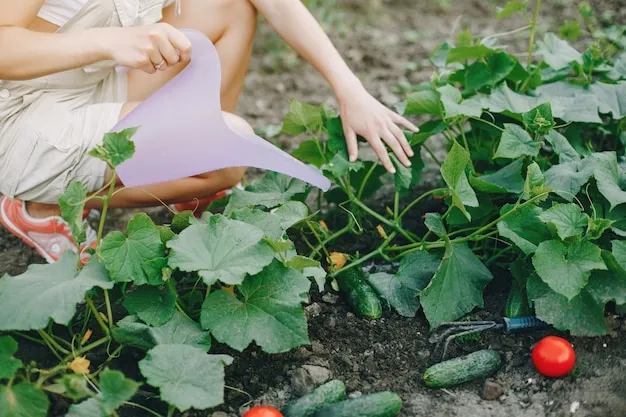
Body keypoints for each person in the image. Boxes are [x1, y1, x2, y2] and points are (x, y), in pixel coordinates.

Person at [0, 0, 418, 263]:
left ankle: (188, 181)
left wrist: (351, 91)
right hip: (23, 118)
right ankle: (42, 207)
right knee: (229, 151)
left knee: (230, 6)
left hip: (90, 83)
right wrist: (108, 41)